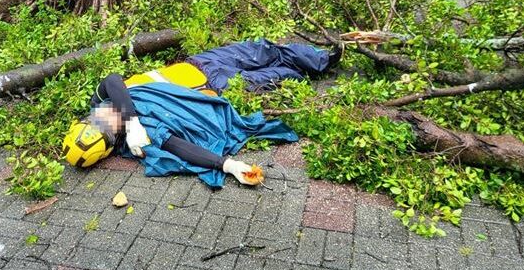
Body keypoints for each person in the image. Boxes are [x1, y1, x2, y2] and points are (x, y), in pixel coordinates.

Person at [63, 39, 340, 188]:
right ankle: (315, 69)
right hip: (218, 89)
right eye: (108, 127)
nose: (107, 118)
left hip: (201, 64)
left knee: (262, 50)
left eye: (98, 120)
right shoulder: (140, 139)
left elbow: (112, 78)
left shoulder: (105, 99)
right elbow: (180, 148)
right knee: (281, 75)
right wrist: (228, 166)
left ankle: (322, 58)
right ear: (112, 142)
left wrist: (131, 119)